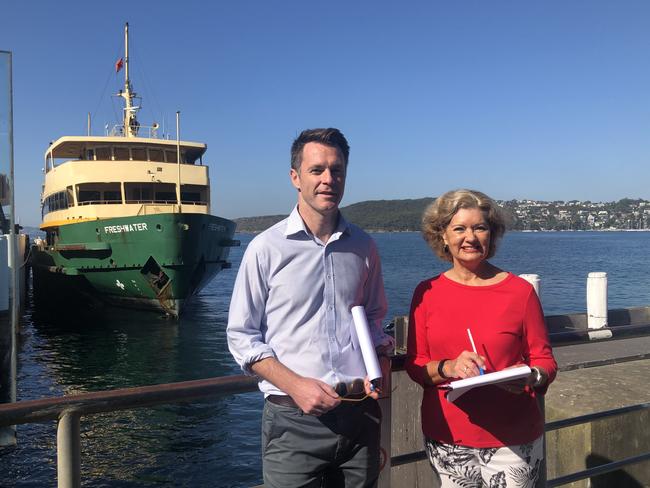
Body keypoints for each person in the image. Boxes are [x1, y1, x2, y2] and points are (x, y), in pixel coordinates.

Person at [227, 128, 394, 488]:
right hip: (293, 421)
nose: (328, 180)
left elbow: (375, 320)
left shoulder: (364, 247)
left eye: (337, 171)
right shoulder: (265, 248)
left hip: (360, 414)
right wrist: (296, 385)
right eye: (317, 170)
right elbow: (242, 337)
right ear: (295, 177)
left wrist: (381, 359)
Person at [405, 189, 557, 488]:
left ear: (492, 234)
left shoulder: (519, 292)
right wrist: (449, 367)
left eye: (480, 227)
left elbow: (545, 361)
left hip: (513, 439)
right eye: (459, 228)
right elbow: (415, 364)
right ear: (443, 236)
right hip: (448, 436)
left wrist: (530, 377)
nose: (470, 237)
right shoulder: (427, 293)